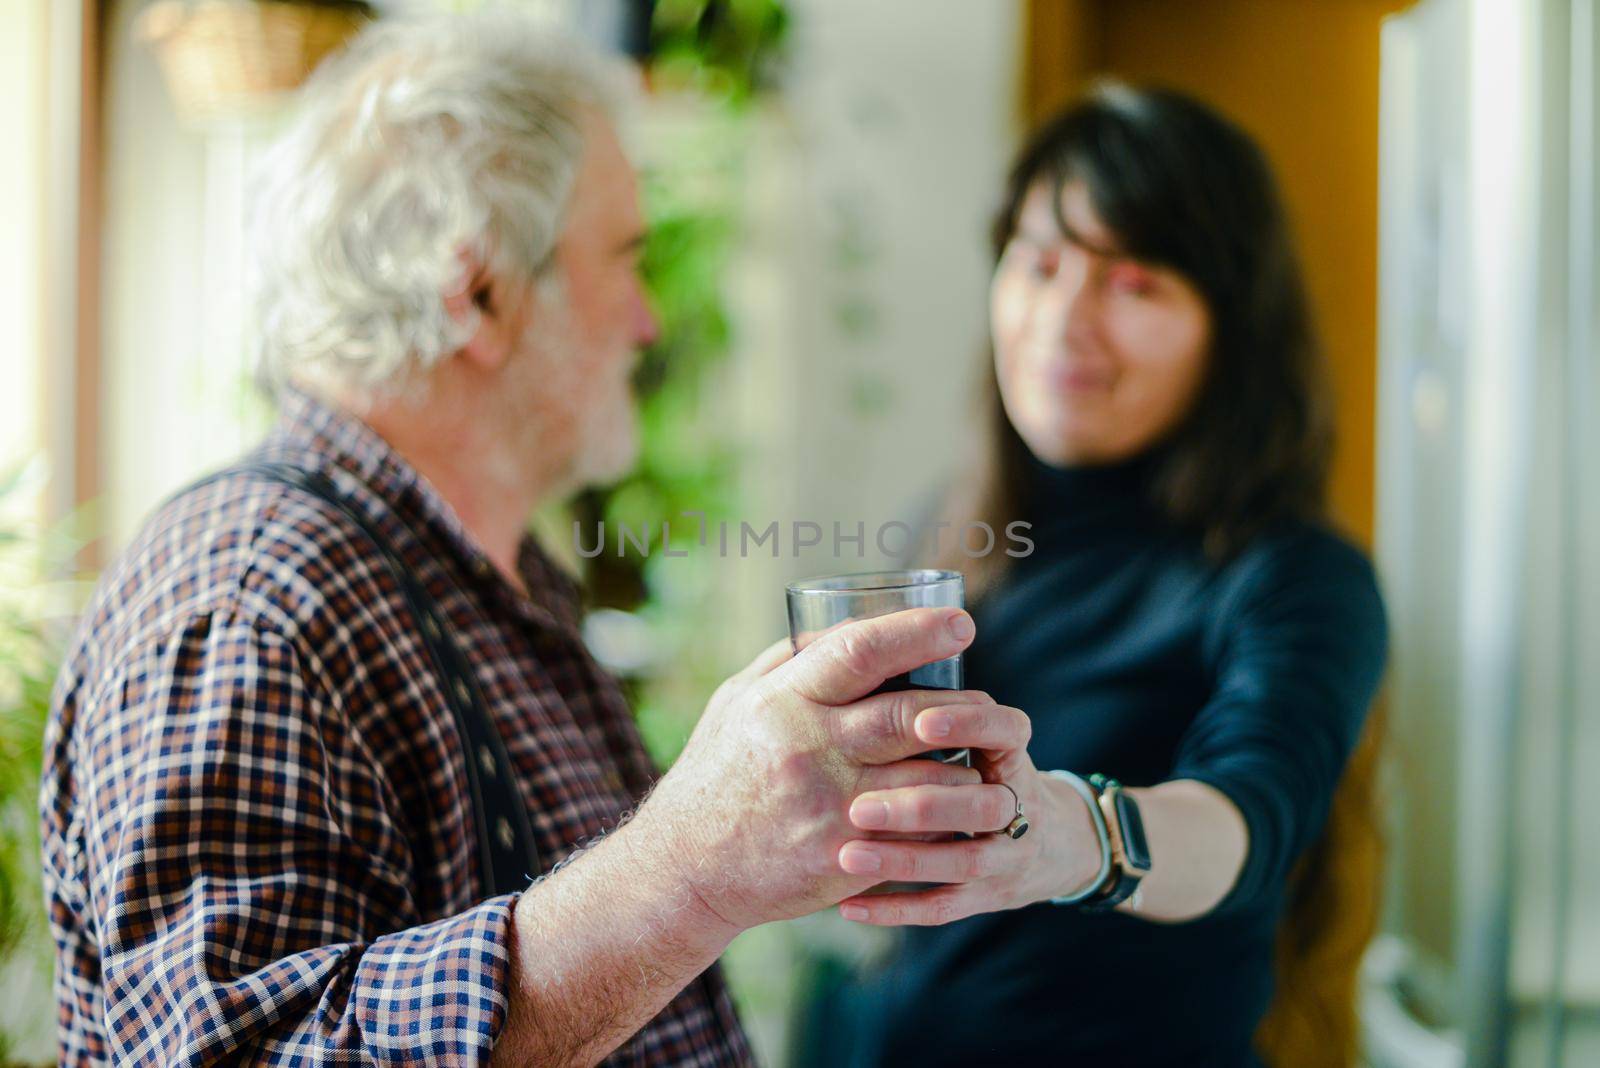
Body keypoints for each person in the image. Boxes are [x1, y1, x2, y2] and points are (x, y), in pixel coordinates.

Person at [38, 14, 1039, 1066]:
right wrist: (691, 868)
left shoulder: (492, 574)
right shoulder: (245, 602)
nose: (649, 321)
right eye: (624, 259)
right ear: (479, 293)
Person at [803, 84, 1389, 1066]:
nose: (1062, 319)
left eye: (1132, 283)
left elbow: (1242, 824)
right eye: (1037, 265)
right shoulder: (953, 529)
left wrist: (1075, 840)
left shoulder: (1293, 577)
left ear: (1230, 324)